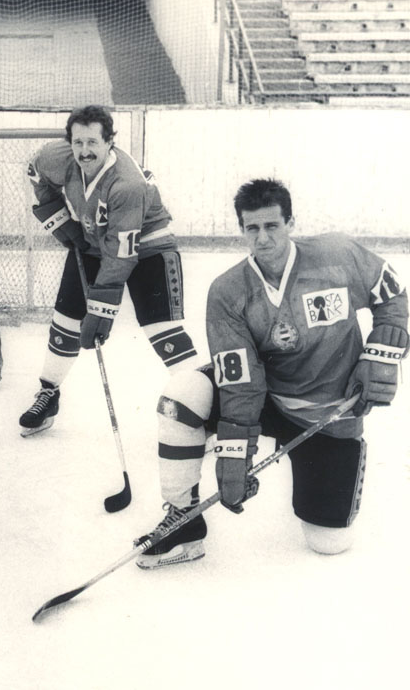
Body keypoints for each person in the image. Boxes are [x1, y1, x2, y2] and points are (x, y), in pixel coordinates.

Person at [137, 178, 407, 568]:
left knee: (328, 542)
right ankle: (184, 521)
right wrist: (235, 453)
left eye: (272, 226)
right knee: (183, 394)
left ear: (290, 223)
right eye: (252, 228)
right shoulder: (228, 291)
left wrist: (380, 353)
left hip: (330, 416)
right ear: (241, 229)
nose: (262, 238)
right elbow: (240, 379)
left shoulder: (337, 255)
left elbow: (392, 294)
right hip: (269, 398)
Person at [20, 104, 198, 434]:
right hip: (96, 242)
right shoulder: (57, 157)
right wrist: (62, 221)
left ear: (109, 142)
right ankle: (48, 393)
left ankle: (204, 405)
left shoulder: (127, 184)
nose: (84, 151)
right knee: (65, 322)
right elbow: (36, 172)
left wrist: (101, 311)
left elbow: (121, 255)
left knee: (163, 332)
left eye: (93, 142)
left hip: (148, 247)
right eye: (78, 142)